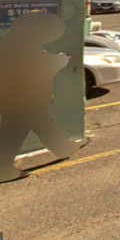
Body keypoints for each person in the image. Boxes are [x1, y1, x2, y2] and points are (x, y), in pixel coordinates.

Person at [0, 11, 88, 183]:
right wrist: (61, 60)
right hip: (20, 98)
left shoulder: (15, 42)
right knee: (14, 132)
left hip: (21, 97)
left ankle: (63, 148)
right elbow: (35, 65)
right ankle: (3, 169)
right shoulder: (18, 45)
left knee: (41, 124)